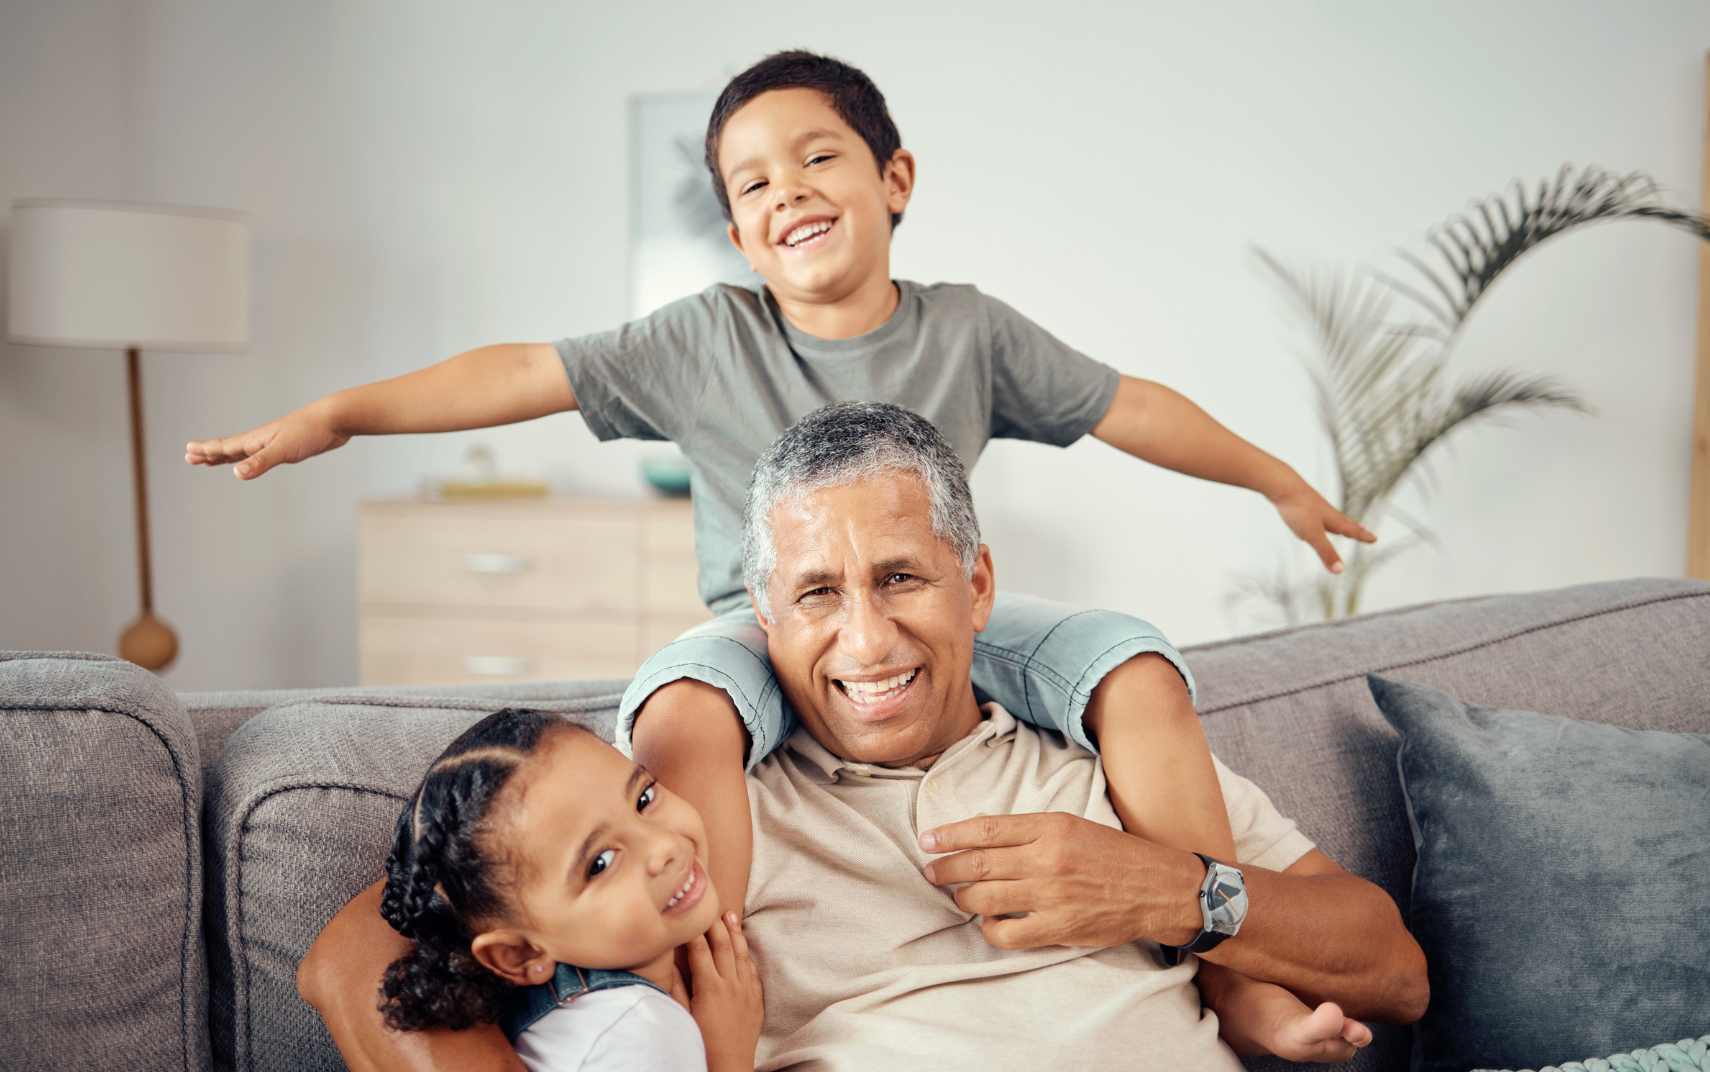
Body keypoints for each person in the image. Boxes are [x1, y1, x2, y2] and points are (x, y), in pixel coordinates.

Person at [197, 51, 1375, 939]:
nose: (790, 191)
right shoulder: (702, 338)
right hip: (761, 629)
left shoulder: (971, 328)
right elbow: (519, 371)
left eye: (818, 156)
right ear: (739, 235)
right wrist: (341, 413)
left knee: (1128, 656)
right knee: (690, 716)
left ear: (892, 177)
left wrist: (1276, 478)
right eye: (753, 182)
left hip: (936, 609)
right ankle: (722, 989)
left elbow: (1134, 405)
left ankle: (1235, 966)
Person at [733, 403, 1426, 1072]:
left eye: (900, 578)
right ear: (765, 614)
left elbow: (1398, 974)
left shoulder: (1111, 761)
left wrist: (1165, 889)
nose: (869, 641)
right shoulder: (724, 822)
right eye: (817, 593)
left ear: (977, 587)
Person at [339, 707, 763, 1072]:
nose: (663, 846)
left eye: (643, 799)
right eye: (600, 862)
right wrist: (728, 1061)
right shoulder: (635, 1031)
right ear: (520, 953)